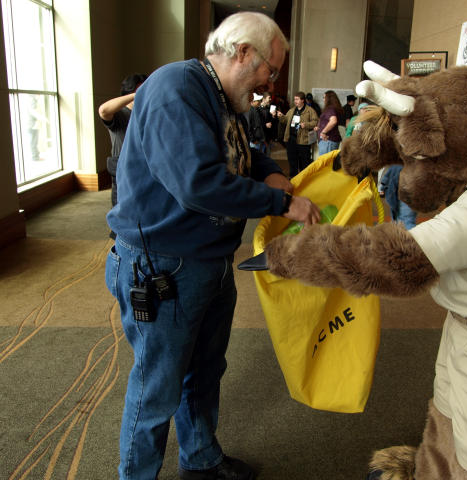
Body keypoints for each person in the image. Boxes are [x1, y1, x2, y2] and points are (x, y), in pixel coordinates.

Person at [104, 12, 321, 480]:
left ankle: (200, 460)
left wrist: (267, 171)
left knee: (204, 371)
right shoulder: (175, 88)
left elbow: (240, 152)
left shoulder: (223, 100)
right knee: (156, 388)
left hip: (207, 261)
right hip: (161, 264)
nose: (270, 83)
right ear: (243, 53)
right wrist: (281, 201)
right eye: (270, 69)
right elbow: (198, 183)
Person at [98, 73, 148, 207]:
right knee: (122, 210)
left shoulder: (147, 113)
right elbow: (103, 110)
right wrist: (136, 95)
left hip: (144, 167)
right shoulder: (119, 114)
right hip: (123, 167)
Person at [277, 91, 318, 177]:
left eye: (297, 99)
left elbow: (315, 122)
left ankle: (304, 180)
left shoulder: (310, 111)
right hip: (291, 139)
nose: (295, 101)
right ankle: (293, 179)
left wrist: (306, 124)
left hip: (303, 140)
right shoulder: (292, 110)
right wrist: (280, 116)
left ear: (302, 100)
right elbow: (285, 121)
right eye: (294, 99)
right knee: (292, 161)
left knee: (304, 162)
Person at [378, 164, 417, 229]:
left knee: (402, 220)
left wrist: (381, 188)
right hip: (407, 192)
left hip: (402, 193)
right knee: (404, 219)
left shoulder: (395, 165)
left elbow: (384, 177)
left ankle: (404, 236)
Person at [315, 90, 344, 156]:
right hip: (330, 140)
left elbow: (333, 121)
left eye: (324, 97)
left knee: (326, 164)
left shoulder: (330, 108)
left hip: (328, 140)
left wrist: (323, 132)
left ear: (329, 99)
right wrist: (319, 128)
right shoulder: (334, 108)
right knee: (329, 164)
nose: (323, 99)